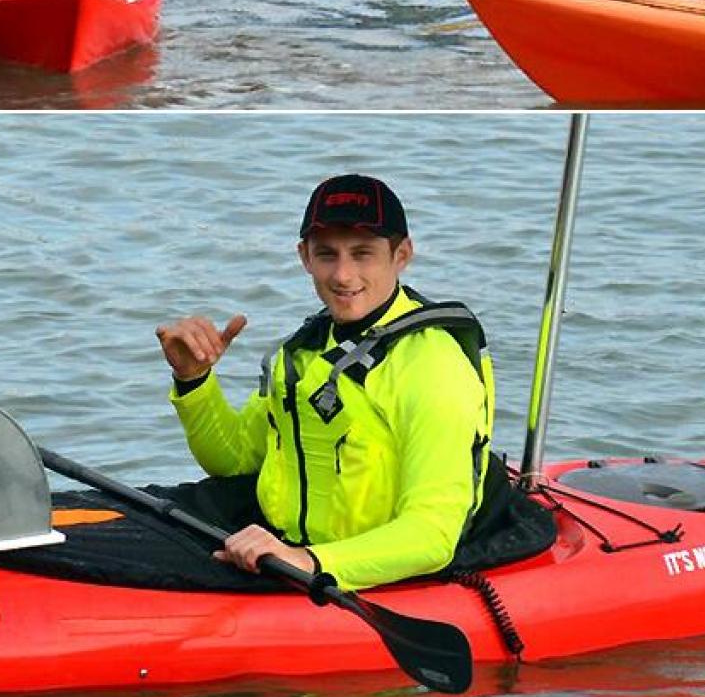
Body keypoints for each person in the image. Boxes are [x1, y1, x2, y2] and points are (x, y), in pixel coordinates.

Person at [155, 174, 496, 592]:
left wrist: (308, 562)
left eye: (363, 253)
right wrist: (194, 381)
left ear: (401, 254)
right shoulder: (306, 349)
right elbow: (234, 460)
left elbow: (434, 534)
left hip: (372, 572)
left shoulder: (431, 366)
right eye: (327, 255)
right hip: (289, 553)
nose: (343, 275)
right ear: (304, 256)